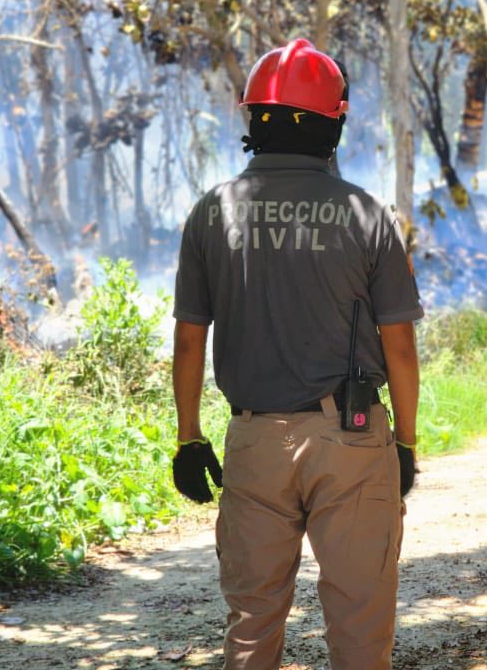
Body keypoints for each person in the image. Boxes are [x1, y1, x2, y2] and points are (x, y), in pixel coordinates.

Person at [170, 38, 423, 670]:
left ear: (252, 119)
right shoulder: (366, 213)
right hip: (352, 438)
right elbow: (400, 345)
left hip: (253, 444)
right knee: (361, 622)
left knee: (252, 625)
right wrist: (407, 444)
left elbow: (189, 335)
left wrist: (189, 438)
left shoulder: (212, 212)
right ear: (333, 122)